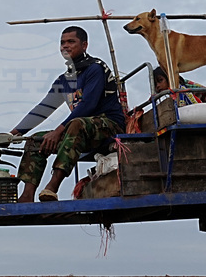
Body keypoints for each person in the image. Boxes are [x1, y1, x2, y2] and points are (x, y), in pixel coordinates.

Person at [10, 26, 126, 203]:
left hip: (108, 127)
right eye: (62, 42)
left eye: (71, 42)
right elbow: (43, 108)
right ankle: (27, 195)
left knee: (76, 124)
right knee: (36, 140)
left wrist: (58, 131)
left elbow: (88, 105)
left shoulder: (94, 68)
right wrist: (14, 133)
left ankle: (52, 188)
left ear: (84, 45)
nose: (65, 46)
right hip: (79, 132)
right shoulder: (64, 80)